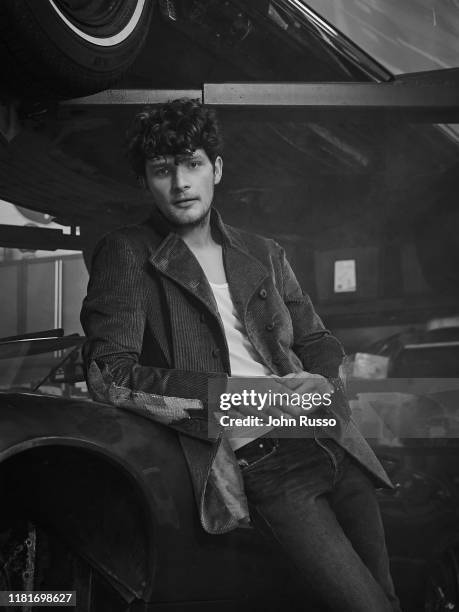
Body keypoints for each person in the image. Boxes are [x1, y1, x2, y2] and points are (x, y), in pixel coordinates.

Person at [81, 98, 401, 612]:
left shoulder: (264, 252)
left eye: (193, 164)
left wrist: (323, 379)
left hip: (333, 442)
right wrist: (222, 397)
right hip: (265, 463)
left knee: (387, 599)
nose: (181, 183)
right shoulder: (126, 252)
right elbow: (108, 376)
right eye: (162, 170)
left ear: (217, 169)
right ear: (146, 182)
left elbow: (317, 340)